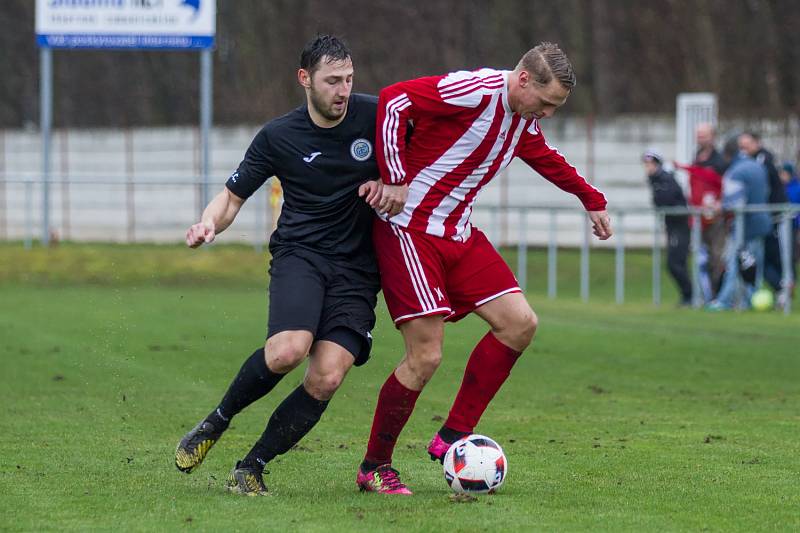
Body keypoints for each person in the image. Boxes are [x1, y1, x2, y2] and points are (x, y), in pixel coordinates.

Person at [356, 42, 612, 495]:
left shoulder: (523, 120)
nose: (548, 114)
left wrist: (591, 199)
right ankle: (375, 465)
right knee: (426, 356)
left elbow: (547, 158)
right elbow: (395, 98)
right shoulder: (475, 90)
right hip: (409, 228)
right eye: (547, 103)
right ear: (524, 80)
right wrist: (394, 176)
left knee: (519, 324)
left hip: (458, 235)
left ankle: (452, 436)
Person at [175, 35, 383, 495]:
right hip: (301, 256)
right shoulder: (278, 136)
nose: (343, 90)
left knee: (328, 375)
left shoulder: (378, 116)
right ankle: (216, 423)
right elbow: (232, 196)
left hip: (358, 271)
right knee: (287, 351)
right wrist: (209, 224)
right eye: (332, 81)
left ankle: (252, 465)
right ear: (305, 80)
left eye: (349, 79)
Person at [709, 136, 771, 310]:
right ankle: (752, 299)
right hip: (762, 222)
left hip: (745, 227)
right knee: (754, 266)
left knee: (734, 264)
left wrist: (718, 207)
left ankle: (724, 301)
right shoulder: (758, 166)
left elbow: (734, 203)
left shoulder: (735, 172)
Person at [681, 122, 726, 298]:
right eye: (698, 135)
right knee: (701, 259)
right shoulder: (697, 157)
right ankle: (704, 295)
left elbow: (724, 186)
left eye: (703, 135)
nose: (700, 138)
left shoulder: (719, 160)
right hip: (698, 217)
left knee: (717, 257)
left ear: (712, 136)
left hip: (715, 218)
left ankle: (719, 295)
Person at [738, 132, 786, 294]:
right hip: (761, 217)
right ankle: (779, 287)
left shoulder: (762, 159)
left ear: (757, 143)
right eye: (741, 146)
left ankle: (781, 286)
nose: (743, 149)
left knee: (769, 256)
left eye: (747, 144)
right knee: (762, 257)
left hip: (772, 215)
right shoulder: (748, 161)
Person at [643, 149, 692, 306]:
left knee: (675, 263)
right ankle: (689, 296)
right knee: (675, 263)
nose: (648, 167)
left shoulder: (665, 179)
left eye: (651, 164)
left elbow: (666, 200)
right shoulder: (655, 179)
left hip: (679, 225)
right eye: (646, 164)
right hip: (672, 225)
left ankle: (690, 295)